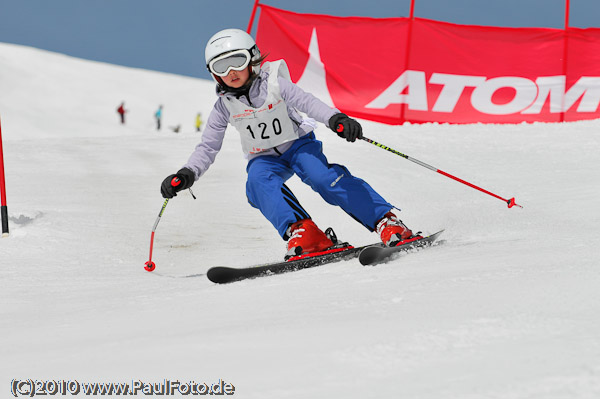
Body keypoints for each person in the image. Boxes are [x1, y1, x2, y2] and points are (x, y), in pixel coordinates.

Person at [160, 28, 412, 258]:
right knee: (257, 183)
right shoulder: (223, 107)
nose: (231, 73)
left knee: (323, 178)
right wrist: (187, 174)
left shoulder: (274, 84)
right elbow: (208, 146)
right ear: (214, 73)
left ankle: (386, 222)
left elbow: (308, 102)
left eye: (237, 62)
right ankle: (306, 232)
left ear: (253, 58)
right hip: (264, 158)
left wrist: (336, 119)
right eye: (221, 67)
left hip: (298, 145)